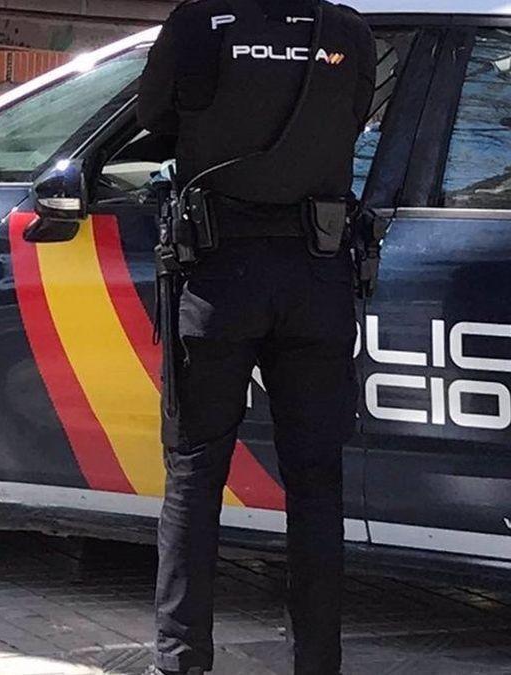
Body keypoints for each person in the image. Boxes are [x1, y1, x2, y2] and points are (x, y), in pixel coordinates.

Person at [137, 0, 375, 673]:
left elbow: (153, 119)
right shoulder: (347, 33)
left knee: (193, 472)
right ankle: (317, 663)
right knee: (316, 482)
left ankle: (182, 660)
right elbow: (348, 122)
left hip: (218, 279)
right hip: (318, 278)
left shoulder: (198, 23)